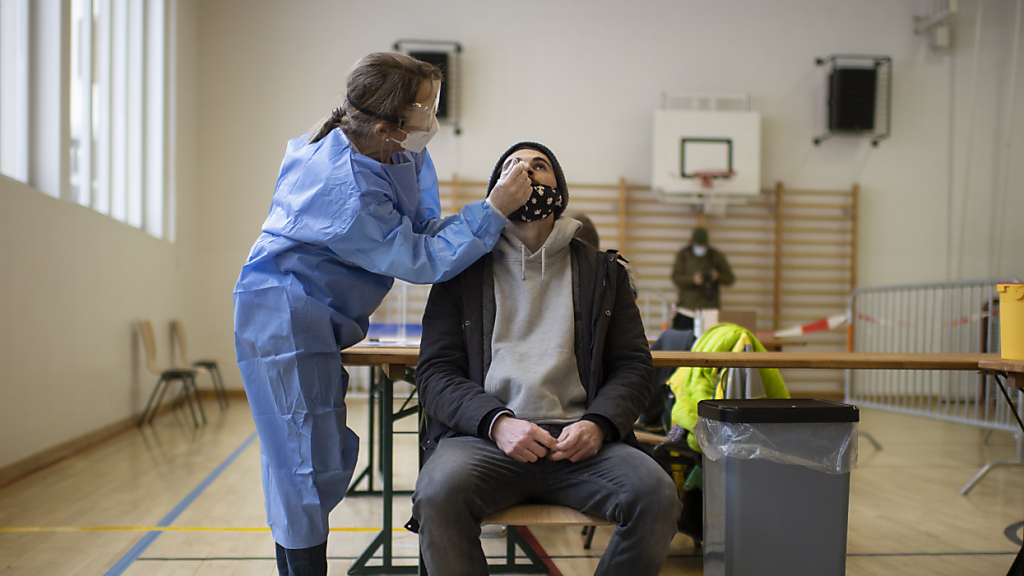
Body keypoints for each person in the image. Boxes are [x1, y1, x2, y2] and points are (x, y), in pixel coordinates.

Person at [232, 53, 532, 576]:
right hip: (283, 311)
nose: (430, 123)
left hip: (319, 310)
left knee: (315, 457)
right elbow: (421, 258)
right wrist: (493, 211)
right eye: (422, 112)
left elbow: (424, 228)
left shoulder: (396, 153)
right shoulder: (341, 189)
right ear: (383, 126)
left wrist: (485, 216)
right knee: (303, 463)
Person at [409, 142, 681, 576]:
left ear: (560, 189)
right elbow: (436, 373)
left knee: (658, 495)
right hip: (486, 441)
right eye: (514, 166)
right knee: (438, 492)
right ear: (498, 189)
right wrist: (497, 422)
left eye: (540, 166)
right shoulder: (460, 272)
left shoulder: (605, 273)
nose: (527, 172)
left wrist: (599, 423)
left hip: (581, 445)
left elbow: (633, 366)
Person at [670, 226, 735, 330]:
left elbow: (730, 279)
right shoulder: (684, 255)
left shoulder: (715, 255)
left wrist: (717, 276)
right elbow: (675, 277)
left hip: (709, 309)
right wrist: (692, 279)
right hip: (687, 309)